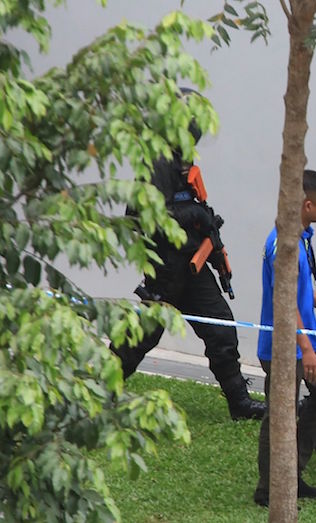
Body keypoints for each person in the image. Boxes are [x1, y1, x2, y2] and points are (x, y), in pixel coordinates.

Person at [111, 88, 265, 421]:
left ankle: (239, 402)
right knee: (142, 336)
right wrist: (193, 215)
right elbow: (141, 218)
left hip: (191, 266)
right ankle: (102, 390)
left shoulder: (182, 158)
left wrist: (208, 233)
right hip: (165, 268)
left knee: (221, 327)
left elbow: (186, 206)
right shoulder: (156, 161)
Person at [253, 169, 316, 507]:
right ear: (308, 205)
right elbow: (285, 301)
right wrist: (305, 349)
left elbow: (303, 288)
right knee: (279, 414)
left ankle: (292, 472)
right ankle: (269, 488)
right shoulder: (282, 244)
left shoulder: (302, 236)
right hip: (284, 345)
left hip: (308, 338)